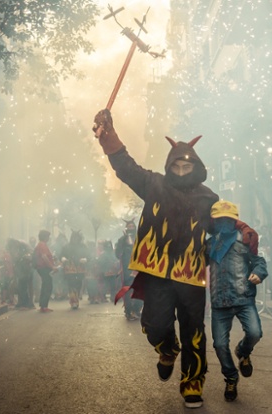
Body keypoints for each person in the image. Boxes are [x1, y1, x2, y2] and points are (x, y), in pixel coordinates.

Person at [93, 109, 218, 409]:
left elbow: (223, 227)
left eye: (187, 163)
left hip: (191, 275)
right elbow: (126, 167)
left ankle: (192, 382)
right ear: (169, 165)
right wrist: (108, 136)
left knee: (194, 331)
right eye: (177, 163)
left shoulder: (208, 198)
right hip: (159, 273)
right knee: (154, 325)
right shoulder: (154, 185)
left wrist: (240, 230)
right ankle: (167, 348)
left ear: (196, 166)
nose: (182, 167)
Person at [206, 200, 268, 402]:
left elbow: (258, 261)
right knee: (219, 345)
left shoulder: (245, 238)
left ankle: (243, 351)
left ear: (234, 220)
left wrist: (259, 273)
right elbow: (192, 263)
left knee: (255, 333)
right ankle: (231, 377)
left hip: (243, 297)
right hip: (218, 301)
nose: (223, 223)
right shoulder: (209, 244)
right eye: (219, 219)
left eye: (228, 219)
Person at [115, 219, 143, 321]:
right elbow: (117, 254)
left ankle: (137, 310)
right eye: (129, 227)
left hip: (139, 268)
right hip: (127, 269)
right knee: (128, 289)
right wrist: (123, 249)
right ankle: (128, 311)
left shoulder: (140, 238)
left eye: (132, 226)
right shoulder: (121, 240)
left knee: (139, 289)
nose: (131, 228)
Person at [60, 230, 89, 310]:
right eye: (74, 237)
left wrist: (85, 259)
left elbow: (88, 255)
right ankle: (73, 301)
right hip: (70, 268)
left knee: (78, 284)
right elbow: (61, 255)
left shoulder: (83, 246)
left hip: (80, 269)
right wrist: (63, 258)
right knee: (71, 284)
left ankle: (76, 299)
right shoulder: (67, 246)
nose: (75, 239)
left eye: (76, 238)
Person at [33, 230, 56, 313]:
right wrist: (52, 267)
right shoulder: (42, 245)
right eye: (48, 236)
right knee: (47, 286)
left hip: (43, 268)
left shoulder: (41, 245)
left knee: (45, 286)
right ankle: (44, 306)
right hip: (44, 268)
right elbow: (44, 257)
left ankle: (43, 306)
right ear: (45, 237)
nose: (49, 238)